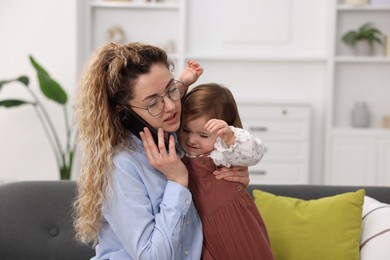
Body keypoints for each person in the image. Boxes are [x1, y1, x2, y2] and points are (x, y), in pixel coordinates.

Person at [73, 42, 250, 260]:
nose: (171, 106)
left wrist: (231, 176)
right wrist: (177, 181)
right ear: (124, 112)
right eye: (153, 103)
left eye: (171, 90)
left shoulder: (177, 135)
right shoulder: (121, 166)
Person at [178, 83, 275, 260]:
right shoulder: (178, 151)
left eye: (203, 135)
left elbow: (254, 154)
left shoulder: (221, 151)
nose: (192, 139)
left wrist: (230, 137)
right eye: (186, 130)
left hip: (232, 219)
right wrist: (183, 83)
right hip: (199, 224)